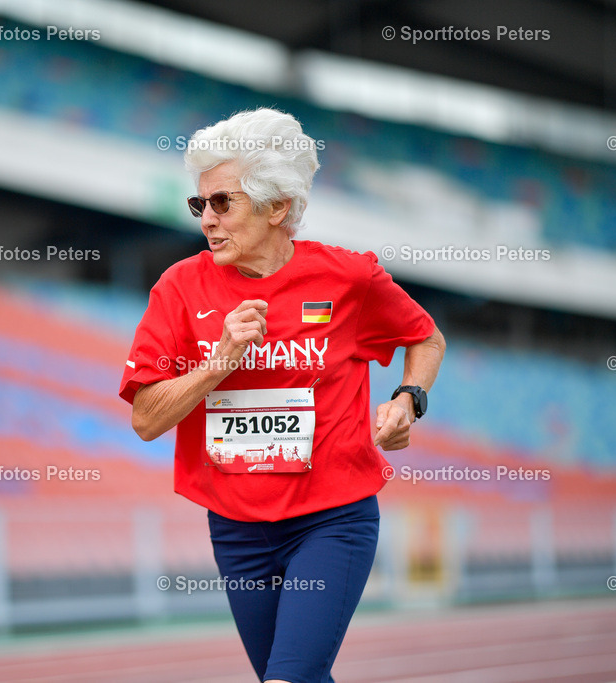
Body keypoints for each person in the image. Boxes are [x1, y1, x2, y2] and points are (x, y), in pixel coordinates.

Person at [118, 108, 446, 683]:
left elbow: (426, 337)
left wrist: (408, 399)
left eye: (223, 203)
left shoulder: (349, 279)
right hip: (237, 528)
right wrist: (219, 362)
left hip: (332, 520)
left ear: (277, 208)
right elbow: (146, 420)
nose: (207, 220)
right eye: (200, 204)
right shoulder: (179, 288)